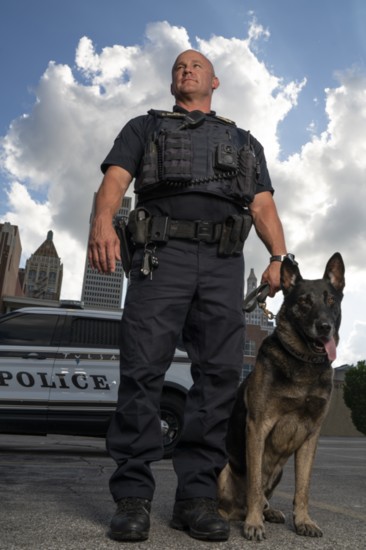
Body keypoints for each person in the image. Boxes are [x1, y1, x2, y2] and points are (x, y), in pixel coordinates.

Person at [88, 49, 290, 543]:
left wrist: (280, 257)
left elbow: (263, 205)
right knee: (142, 371)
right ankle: (132, 497)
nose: (186, 69)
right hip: (161, 255)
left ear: (214, 81)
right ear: (172, 80)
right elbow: (114, 179)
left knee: (219, 377)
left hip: (222, 263)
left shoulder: (244, 141)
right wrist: (101, 221)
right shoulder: (144, 127)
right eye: (179, 65)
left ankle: (196, 499)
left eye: (196, 65)